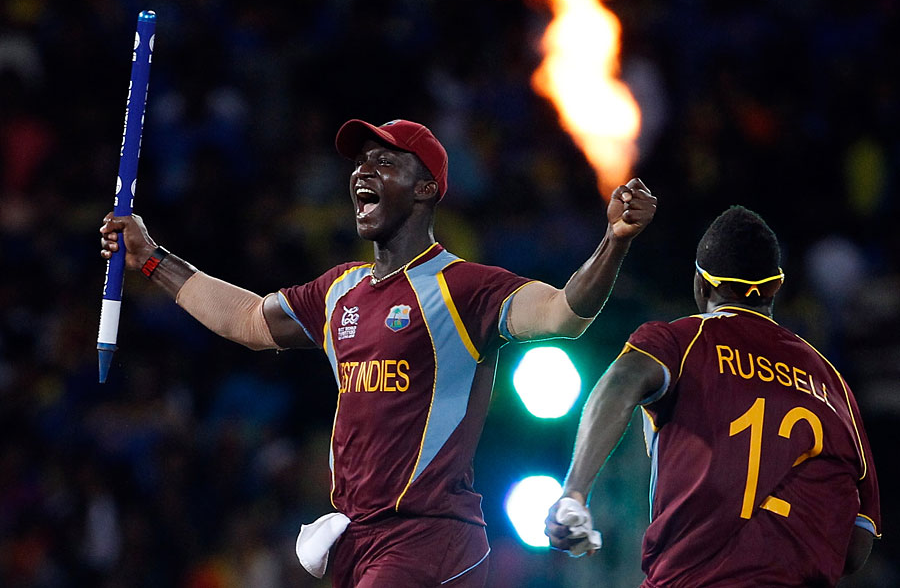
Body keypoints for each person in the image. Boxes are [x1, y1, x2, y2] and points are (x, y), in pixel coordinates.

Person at [99, 118, 657, 588]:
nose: (363, 172)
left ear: (425, 189)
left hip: (428, 536)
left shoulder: (463, 287)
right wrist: (151, 257)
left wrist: (615, 240)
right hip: (356, 539)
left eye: (385, 162)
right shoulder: (340, 289)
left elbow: (564, 312)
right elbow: (246, 320)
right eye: (360, 163)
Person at [545, 205, 881, 587]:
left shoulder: (683, 341)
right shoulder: (833, 385)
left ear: (701, 285)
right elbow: (856, 547)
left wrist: (574, 491)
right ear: (776, 286)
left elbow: (619, 382)